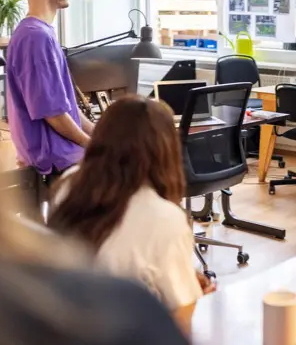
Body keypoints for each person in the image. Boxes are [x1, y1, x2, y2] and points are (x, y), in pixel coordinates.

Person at [0, 3, 188, 345]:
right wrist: (90, 138)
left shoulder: (71, 187)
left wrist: (95, 137)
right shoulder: (127, 307)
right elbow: (53, 110)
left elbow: (65, 107)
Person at [50, 96, 214, 336]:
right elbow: (180, 320)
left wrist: (180, 275)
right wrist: (192, 294)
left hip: (59, 326)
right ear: (166, 148)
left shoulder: (68, 183)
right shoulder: (164, 219)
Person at [6, 0, 94, 176]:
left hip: (64, 154)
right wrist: (93, 146)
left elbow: (65, 107)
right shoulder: (35, 37)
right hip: (56, 159)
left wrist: (98, 133)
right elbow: (52, 113)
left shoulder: (41, 33)